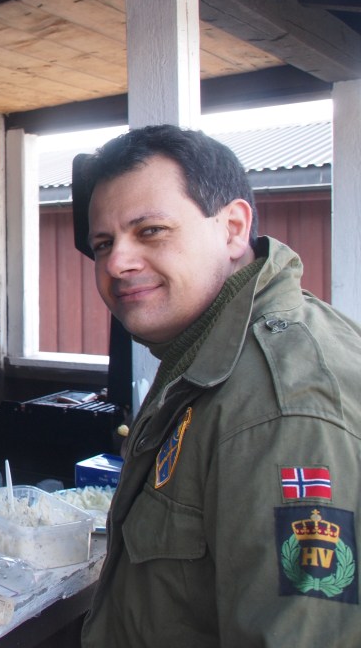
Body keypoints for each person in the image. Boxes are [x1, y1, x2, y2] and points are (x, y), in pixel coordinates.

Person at [76, 124, 361, 647]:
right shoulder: (207, 351)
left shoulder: (282, 408)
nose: (117, 261)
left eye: (151, 230)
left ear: (232, 228)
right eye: (103, 243)